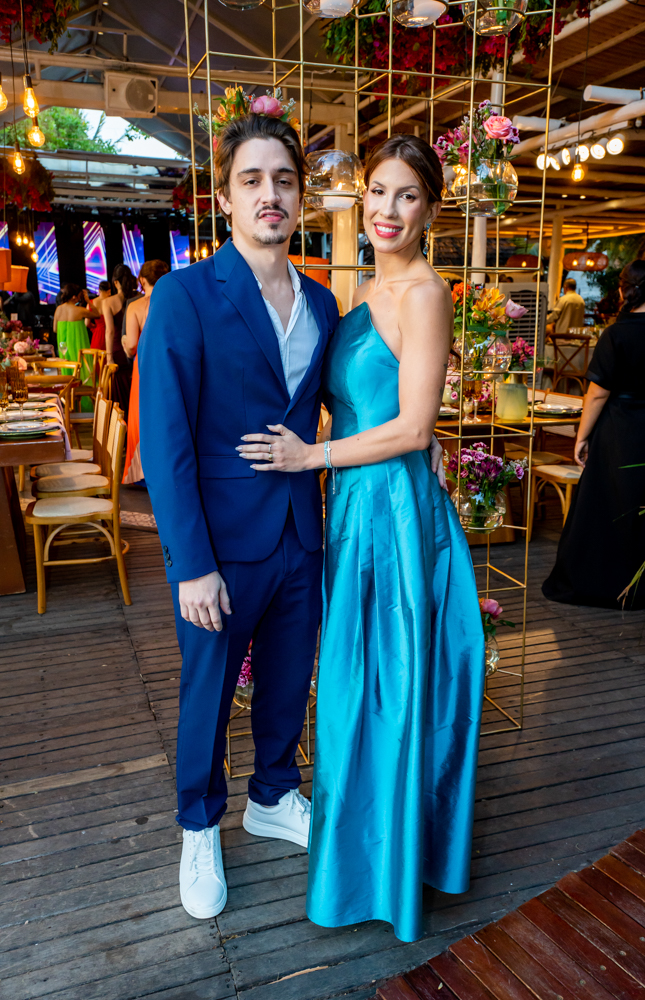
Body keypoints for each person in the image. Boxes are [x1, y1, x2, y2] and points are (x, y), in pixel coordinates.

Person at [238, 134, 485, 942]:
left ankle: (385, 870)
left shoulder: (424, 294)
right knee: (352, 689)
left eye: (407, 195)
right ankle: (360, 859)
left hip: (393, 519)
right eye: (378, 191)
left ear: (431, 211)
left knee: (388, 690)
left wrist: (311, 456)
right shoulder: (358, 293)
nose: (387, 209)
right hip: (351, 511)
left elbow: (413, 428)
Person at [138, 106, 344, 922]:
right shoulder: (184, 295)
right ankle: (198, 825)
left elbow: (343, 406)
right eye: (252, 180)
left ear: (300, 198)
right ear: (223, 198)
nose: (270, 194)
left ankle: (271, 795)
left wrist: (416, 435)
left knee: (289, 679)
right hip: (219, 545)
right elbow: (165, 443)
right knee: (208, 691)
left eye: (284, 181)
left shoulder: (323, 302)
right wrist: (190, 563)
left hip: (299, 530)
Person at [543, 259, 645, 609]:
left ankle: (604, 584)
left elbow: (597, 394)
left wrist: (581, 437)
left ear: (622, 290)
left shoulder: (616, 334)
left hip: (619, 430)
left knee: (609, 503)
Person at [122, 259, 169, 485]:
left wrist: (123, 340)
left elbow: (132, 345)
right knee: (165, 413)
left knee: (141, 414)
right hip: (168, 363)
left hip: (144, 365)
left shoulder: (136, 306)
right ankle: (165, 468)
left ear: (142, 280)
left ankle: (141, 472)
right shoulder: (171, 301)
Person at [103, 264, 136, 417]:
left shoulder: (108, 302)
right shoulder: (137, 298)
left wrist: (109, 357)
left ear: (116, 282)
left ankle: (121, 427)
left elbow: (109, 331)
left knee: (119, 398)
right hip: (135, 350)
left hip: (118, 352)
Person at [53, 283, 98, 360]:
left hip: (63, 349)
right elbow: (97, 315)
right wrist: (88, 301)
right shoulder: (80, 310)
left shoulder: (58, 309)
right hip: (78, 348)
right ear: (74, 297)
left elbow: (55, 329)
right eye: (79, 296)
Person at [87, 280, 112, 351]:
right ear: (109, 290)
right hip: (110, 334)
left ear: (99, 290)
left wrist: (95, 328)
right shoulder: (112, 302)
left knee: (96, 356)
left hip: (97, 334)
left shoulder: (91, 303)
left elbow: (86, 323)